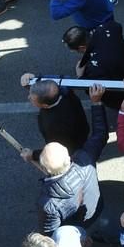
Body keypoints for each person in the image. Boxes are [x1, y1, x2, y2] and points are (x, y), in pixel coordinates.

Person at [37, 83, 108, 236]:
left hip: (74, 227)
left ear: (44, 169)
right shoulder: (85, 157)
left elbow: (50, 233)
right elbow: (100, 134)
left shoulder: (49, 203)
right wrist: (96, 103)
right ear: (68, 158)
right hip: (96, 207)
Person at [19, 74, 89, 158]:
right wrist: (31, 77)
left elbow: (58, 150)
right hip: (81, 130)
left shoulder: (55, 126)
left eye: (32, 99)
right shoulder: (63, 92)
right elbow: (43, 86)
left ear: (45, 105)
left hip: (73, 147)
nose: (28, 97)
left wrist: (33, 154)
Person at [62, 22, 124, 89]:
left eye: (73, 50)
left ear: (82, 47)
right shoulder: (107, 27)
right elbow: (118, 26)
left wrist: (80, 76)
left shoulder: (94, 66)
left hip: (123, 80)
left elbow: (93, 88)